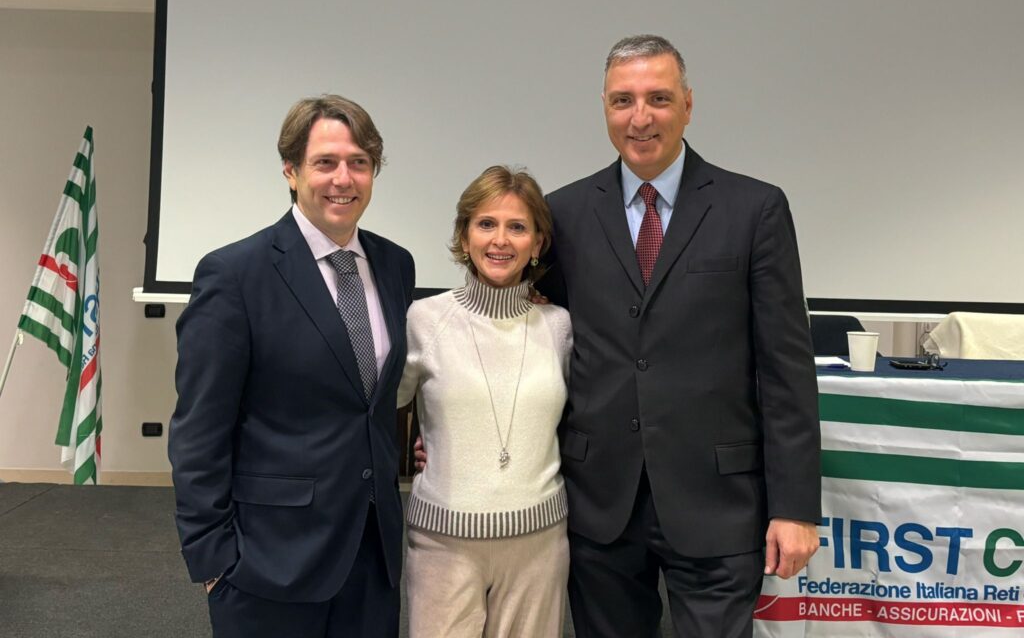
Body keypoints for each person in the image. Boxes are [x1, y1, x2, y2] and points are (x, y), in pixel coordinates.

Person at [539, 35, 821, 637]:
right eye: (623, 100)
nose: (640, 118)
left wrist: (795, 507)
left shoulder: (754, 209)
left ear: (688, 105)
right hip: (599, 502)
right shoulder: (562, 214)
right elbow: (536, 346)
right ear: (605, 107)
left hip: (719, 501)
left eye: (658, 98)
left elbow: (786, 370)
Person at [168, 95, 415, 638]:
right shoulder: (235, 273)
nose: (343, 179)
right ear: (290, 170)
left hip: (372, 555)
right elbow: (199, 429)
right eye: (325, 162)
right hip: (267, 562)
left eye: (359, 162)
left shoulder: (395, 264)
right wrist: (213, 560)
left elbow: (371, 404)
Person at [398, 166, 573, 638]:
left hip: (539, 545)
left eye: (517, 227)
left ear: (537, 243)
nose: (500, 240)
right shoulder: (424, 319)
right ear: (464, 235)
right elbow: (378, 408)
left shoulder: (559, 326)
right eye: (486, 224)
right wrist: (430, 446)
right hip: (442, 543)